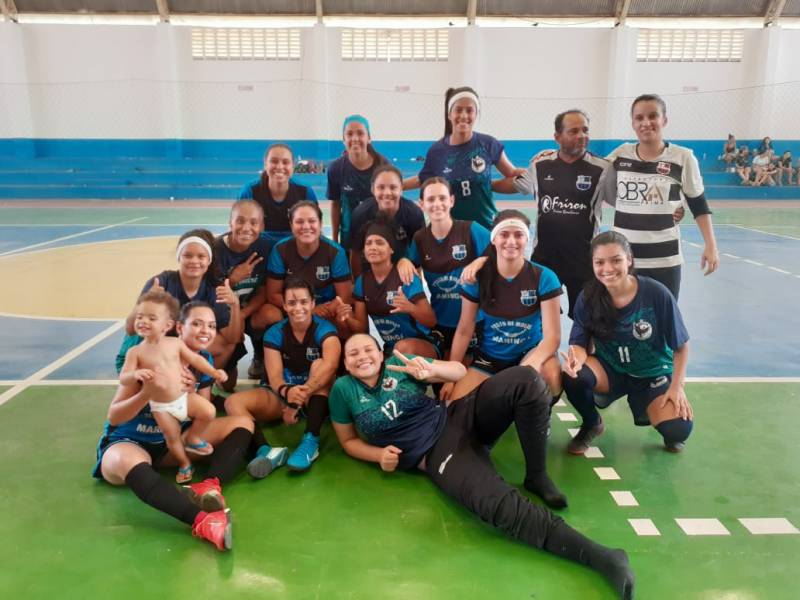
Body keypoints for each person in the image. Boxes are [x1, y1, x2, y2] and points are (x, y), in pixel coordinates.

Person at [329, 335, 634, 599]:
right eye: (353, 353)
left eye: (367, 349)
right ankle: (601, 557)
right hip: (436, 452)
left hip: (456, 415)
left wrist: (432, 369)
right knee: (497, 505)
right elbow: (348, 441)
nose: (362, 356)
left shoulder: (399, 363)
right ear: (345, 363)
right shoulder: (343, 391)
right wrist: (379, 454)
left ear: (379, 354)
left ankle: (537, 475)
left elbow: (459, 370)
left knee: (526, 379)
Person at [94, 301, 256, 551]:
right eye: (198, 324)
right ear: (178, 328)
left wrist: (187, 394)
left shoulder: (201, 360)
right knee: (124, 460)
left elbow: (202, 413)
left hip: (171, 443)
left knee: (242, 423)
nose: (205, 331)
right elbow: (114, 416)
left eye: (211, 325)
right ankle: (203, 521)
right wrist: (147, 392)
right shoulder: (143, 357)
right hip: (130, 444)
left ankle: (210, 485)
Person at [561, 231, 693, 455]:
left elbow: (681, 346)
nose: (608, 269)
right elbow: (579, 343)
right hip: (610, 369)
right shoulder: (588, 297)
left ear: (629, 260)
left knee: (678, 429)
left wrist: (677, 387)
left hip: (652, 373)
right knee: (574, 377)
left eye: (616, 260)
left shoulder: (655, 293)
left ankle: (659, 412)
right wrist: (575, 362)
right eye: (599, 262)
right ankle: (592, 423)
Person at [494, 109, 610, 318]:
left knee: (588, 321)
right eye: (573, 131)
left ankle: (583, 351)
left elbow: (624, 199)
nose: (581, 136)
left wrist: (670, 209)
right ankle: (546, 352)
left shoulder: (603, 169)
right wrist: (484, 185)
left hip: (584, 260)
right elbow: (516, 185)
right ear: (557, 137)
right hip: (546, 258)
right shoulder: (540, 165)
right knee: (543, 317)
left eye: (585, 130)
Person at [603, 93, 719, 299]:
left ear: (664, 120)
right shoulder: (620, 154)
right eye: (639, 118)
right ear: (633, 123)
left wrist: (711, 245)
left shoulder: (683, 157)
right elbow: (593, 173)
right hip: (624, 260)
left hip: (664, 261)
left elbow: (699, 205)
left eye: (653, 116)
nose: (646, 123)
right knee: (621, 324)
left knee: (663, 322)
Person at [225, 277, 341, 475]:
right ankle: (265, 450)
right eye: (292, 303)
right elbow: (275, 377)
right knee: (232, 403)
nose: (298, 308)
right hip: (284, 394)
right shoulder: (274, 333)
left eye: (304, 302)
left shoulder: (326, 330)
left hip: (314, 395)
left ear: (313, 303)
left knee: (320, 365)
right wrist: (288, 393)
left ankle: (310, 441)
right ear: (285, 306)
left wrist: (298, 401)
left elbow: (330, 366)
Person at [444, 210, 562, 402]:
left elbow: (553, 337)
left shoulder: (545, 277)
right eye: (504, 234)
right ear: (493, 239)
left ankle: (541, 411)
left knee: (550, 375)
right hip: (491, 357)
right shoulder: (477, 279)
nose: (511, 241)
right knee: (455, 405)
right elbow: (465, 329)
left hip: (528, 353)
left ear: (527, 239)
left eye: (518, 235)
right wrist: (450, 377)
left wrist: (530, 366)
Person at [119, 290, 226, 483]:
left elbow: (195, 359)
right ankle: (185, 464)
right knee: (172, 438)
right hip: (160, 406)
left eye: (151, 318)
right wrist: (134, 374)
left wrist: (215, 373)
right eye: (140, 317)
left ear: (167, 325)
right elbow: (124, 378)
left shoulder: (175, 343)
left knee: (209, 412)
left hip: (183, 397)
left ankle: (193, 438)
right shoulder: (135, 352)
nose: (143, 321)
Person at [116, 229, 242, 379]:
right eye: (187, 255)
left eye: (201, 256)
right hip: (142, 353)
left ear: (209, 260)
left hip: (174, 348)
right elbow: (131, 329)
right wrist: (147, 300)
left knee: (226, 345)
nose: (194, 261)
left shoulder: (213, 289)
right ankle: (174, 384)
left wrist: (235, 304)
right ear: (179, 257)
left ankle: (200, 383)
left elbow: (232, 339)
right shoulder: (161, 283)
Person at [404, 86, 523, 229]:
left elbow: (512, 174)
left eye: (469, 110)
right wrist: (396, 186)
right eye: (458, 110)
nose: (464, 115)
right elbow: (422, 178)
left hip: (487, 228)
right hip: (452, 233)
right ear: (449, 114)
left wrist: (535, 174)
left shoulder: (488, 144)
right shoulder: (437, 151)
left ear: (476, 114)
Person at [404, 177, 490, 358]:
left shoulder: (471, 230)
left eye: (442, 198)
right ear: (422, 204)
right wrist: (402, 262)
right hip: (440, 323)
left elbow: (501, 251)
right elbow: (412, 271)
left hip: (475, 322)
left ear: (452, 200)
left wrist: (479, 261)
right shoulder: (420, 239)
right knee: (439, 381)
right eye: (431, 199)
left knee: (464, 380)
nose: (437, 204)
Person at [338, 216, 437, 358]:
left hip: (423, 344)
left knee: (401, 348)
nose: (373, 247)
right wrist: (347, 317)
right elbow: (362, 329)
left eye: (379, 243)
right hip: (391, 349)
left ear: (391, 249)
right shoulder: (362, 282)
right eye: (369, 243)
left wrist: (410, 307)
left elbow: (431, 320)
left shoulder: (405, 275)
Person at [265, 201, 352, 330]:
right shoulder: (280, 250)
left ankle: (344, 346)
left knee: (347, 318)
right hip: (294, 306)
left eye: (312, 221)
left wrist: (329, 308)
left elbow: (344, 295)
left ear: (321, 224)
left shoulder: (335, 252)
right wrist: (309, 309)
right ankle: (268, 347)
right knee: (267, 314)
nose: (306, 226)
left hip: (326, 309)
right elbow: (273, 294)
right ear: (291, 225)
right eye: (299, 222)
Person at [213, 199, 274, 380]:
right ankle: (206, 376)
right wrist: (232, 280)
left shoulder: (266, 247)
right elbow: (208, 295)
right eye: (240, 221)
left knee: (272, 315)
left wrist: (242, 313)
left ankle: (260, 357)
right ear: (230, 223)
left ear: (261, 226)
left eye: (253, 222)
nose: (246, 227)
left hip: (248, 311)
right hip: (221, 314)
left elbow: (264, 290)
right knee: (228, 384)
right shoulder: (214, 250)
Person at [238, 143, 317, 253]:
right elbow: (239, 229)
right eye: (274, 161)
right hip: (260, 247)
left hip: (295, 247)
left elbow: (315, 230)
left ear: (293, 166)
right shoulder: (250, 191)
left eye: (285, 162)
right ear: (265, 164)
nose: (280, 167)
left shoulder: (305, 191)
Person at [349, 163, 425, 278]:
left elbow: (417, 256)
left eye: (393, 187)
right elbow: (355, 253)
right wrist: (359, 285)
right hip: (370, 270)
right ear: (373, 189)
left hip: (400, 269)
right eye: (381, 187)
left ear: (401, 189)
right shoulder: (360, 214)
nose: (387, 193)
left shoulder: (414, 215)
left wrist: (415, 288)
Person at [327, 114, 387, 250]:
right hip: (349, 237)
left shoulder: (383, 167)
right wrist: (335, 239)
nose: (355, 138)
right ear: (343, 139)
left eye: (360, 133)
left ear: (369, 138)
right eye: (349, 134)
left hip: (377, 235)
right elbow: (335, 204)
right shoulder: (335, 169)